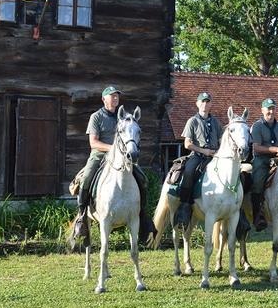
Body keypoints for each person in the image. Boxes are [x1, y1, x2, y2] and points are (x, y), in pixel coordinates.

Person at [72, 85, 157, 243]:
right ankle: (82, 216)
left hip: (122, 157)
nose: (115, 98)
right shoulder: (96, 117)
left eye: (117, 95)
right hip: (99, 154)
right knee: (86, 178)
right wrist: (112, 148)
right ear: (103, 99)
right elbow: (93, 143)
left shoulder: (122, 117)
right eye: (111, 95)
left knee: (143, 179)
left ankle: (142, 215)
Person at [174, 92, 223, 227]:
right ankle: (184, 206)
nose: (205, 104)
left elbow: (221, 141)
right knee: (189, 171)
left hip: (214, 156)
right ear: (197, 104)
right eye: (202, 101)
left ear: (211, 104)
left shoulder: (216, 122)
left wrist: (218, 152)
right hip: (197, 155)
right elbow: (187, 144)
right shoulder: (192, 121)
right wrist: (204, 151)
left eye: (207, 102)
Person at [249, 98, 278, 232]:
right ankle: (258, 216)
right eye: (268, 109)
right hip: (262, 159)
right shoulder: (257, 126)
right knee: (258, 181)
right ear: (262, 110)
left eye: (273, 108)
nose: (271, 111)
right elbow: (256, 147)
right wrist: (276, 149)